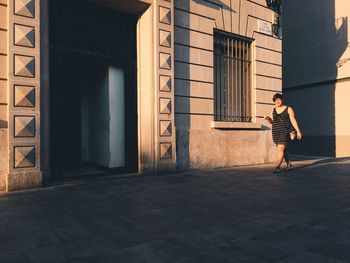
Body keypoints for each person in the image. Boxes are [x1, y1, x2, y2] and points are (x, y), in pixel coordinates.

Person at [264, 93, 302, 173]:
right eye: (275, 100)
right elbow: (272, 122)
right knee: (283, 150)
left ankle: (277, 167)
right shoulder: (273, 110)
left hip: (285, 131)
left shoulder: (288, 109)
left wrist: (298, 131)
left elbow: (293, 120)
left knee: (280, 149)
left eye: (278, 99)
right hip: (275, 132)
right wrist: (268, 119)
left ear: (282, 100)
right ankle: (289, 165)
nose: (277, 101)